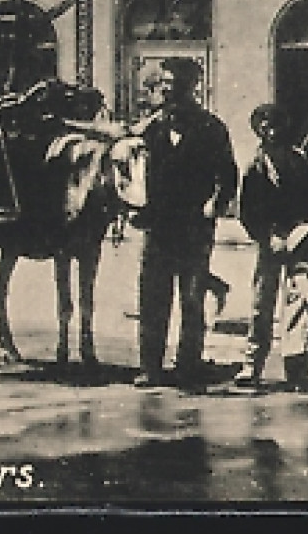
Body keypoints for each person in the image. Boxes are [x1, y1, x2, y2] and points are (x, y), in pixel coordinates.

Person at [133, 57, 237, 389]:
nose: (166, 89)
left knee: (192, 299)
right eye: (163, 83)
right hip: (158, 226)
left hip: (194, 226)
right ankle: (151, 367)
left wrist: (215, 205)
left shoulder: (211, 128)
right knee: (153, 297)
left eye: (174, 84)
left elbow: (228, 175)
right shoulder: (152, 128)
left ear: (192, 87)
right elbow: (130, 163)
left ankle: (188, 365)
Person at [235, 104, 308, 389]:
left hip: (299, 242)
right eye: (265, 127)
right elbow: (247, 211)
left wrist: (304, 230)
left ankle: (297, 368)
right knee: (260, 305)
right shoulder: (255, 167)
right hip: (270, 243)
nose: (272, 132)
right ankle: (252, 364)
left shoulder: (298, 162)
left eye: (276, 125)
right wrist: (267, 236)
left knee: (299, 305)